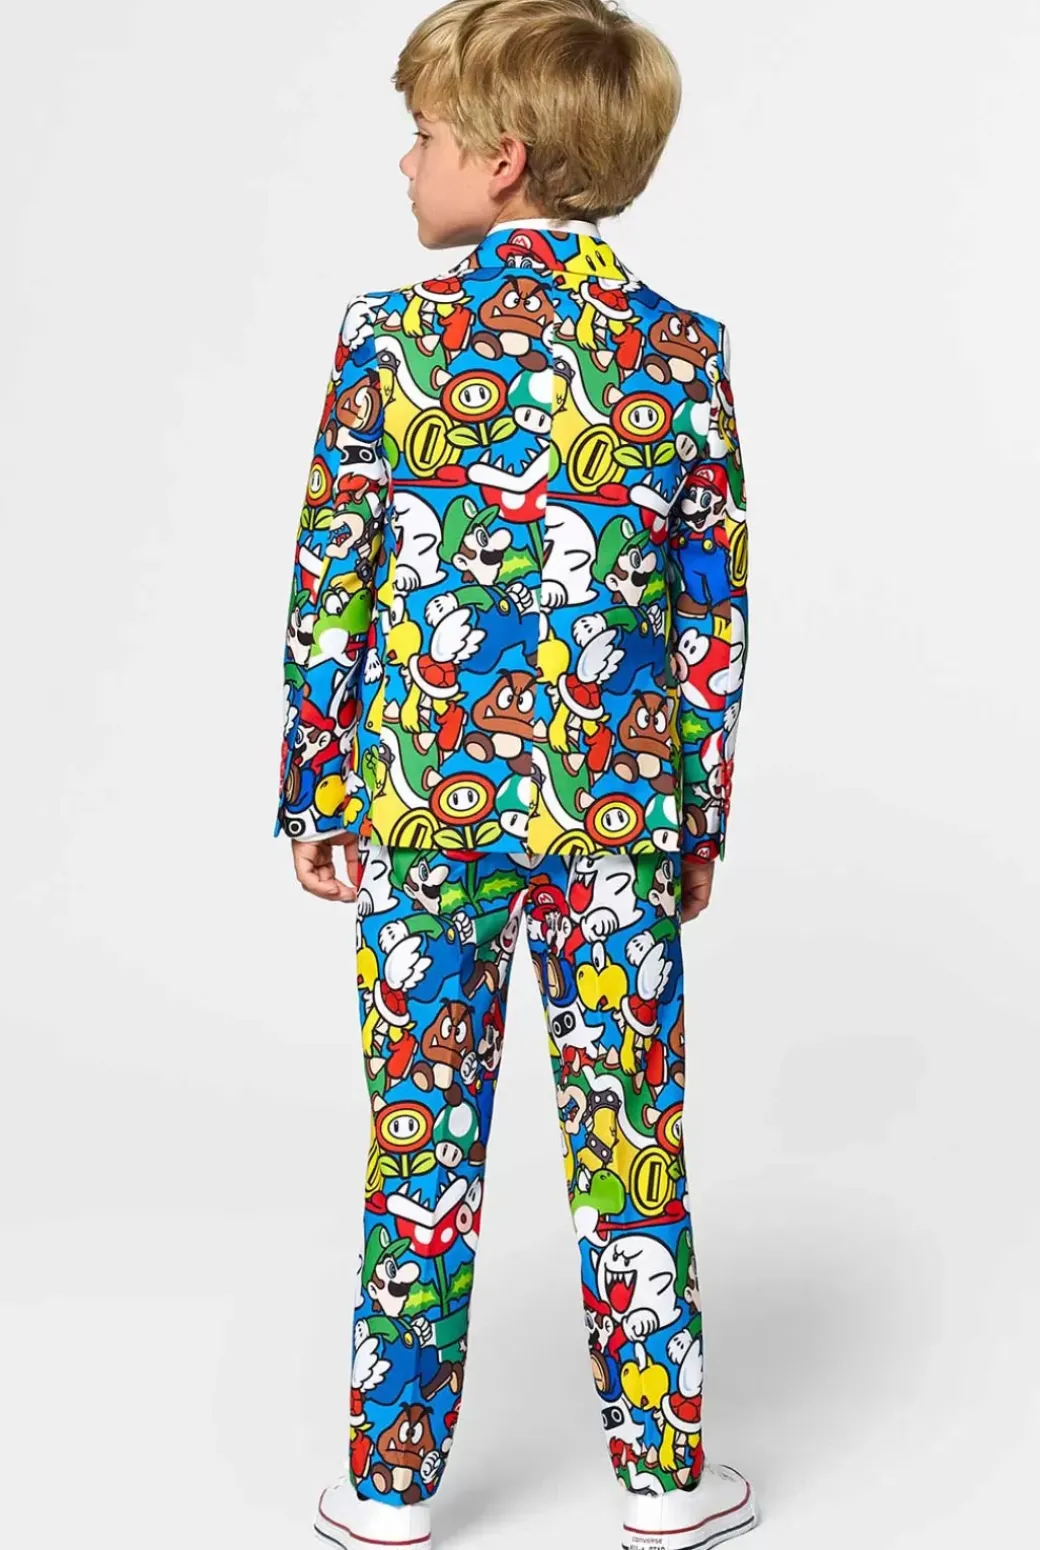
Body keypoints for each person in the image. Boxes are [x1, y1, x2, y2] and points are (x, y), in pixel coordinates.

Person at [274, 4, 755, 1548]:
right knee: (632, 1143)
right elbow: (708, 618)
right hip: (613, 819)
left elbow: (335, 576)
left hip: (426, 816)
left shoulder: (386, 337)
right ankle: (664, 1479)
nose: (403, 161)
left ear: (503, 158)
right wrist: (694, 816)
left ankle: (389, 1485)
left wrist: (319, 785)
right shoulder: (681, 351)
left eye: (421, 134)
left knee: (419, 1141)